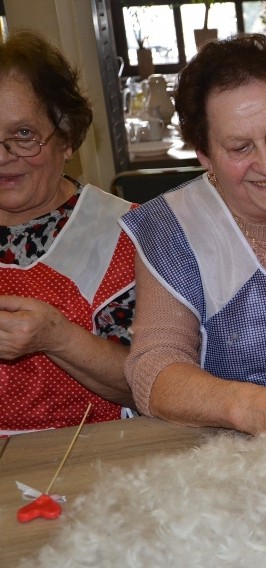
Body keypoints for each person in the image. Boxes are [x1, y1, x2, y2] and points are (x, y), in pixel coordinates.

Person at [119, 34, 266, 450]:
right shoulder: (174, 228)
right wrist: (253, 407)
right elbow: (153, 369)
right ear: (204, 154)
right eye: (240, 147)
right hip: (241, 454)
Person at [0, 30, 136, 432]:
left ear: (67, 138)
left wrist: (57, 337)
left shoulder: (126, 232)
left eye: (23, 134)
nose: (2, 158)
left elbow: (158, 381)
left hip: (82, 463)